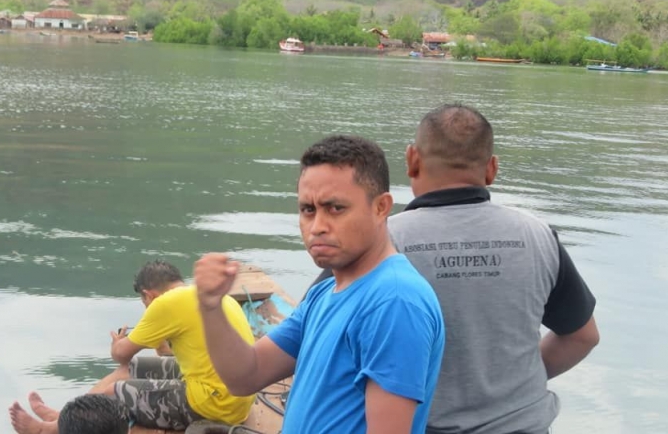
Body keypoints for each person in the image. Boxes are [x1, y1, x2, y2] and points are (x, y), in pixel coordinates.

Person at [194, 135, 445, 434]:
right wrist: (210, 305)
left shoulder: (394, 301)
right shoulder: (323, 294)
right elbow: (245, 376)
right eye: (308, 210)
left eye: (335, 208)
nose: (317, 226)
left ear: (381, 208)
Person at [387, 103, 600, 434]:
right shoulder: (538, 235)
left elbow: (316, 334)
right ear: (492, 169)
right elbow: (582, 337)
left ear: (412, 159)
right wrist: (517, 380)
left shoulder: (383, 240)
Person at [9, 260, 256, 434]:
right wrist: (160, 341)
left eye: (144, 302)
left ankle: (48, 430)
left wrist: (117, 344)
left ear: (149, 295)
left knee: (113, 393)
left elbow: (121, 354)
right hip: (232, 393)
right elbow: (171, 354)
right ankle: (65, 417)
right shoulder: (207, 296)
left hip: (216, 404)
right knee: (133, 368)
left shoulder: (166, 304)